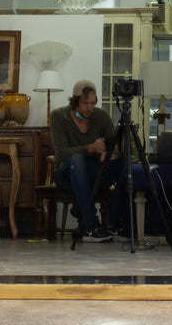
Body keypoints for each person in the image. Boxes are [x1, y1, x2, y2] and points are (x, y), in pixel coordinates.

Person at [50, 79, 124, 242]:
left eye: (92, 102)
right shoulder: (58, 116)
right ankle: (91, 225)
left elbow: (114, 144)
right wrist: (90, 148)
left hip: (93, 173)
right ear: (75, 101)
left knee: (125, 166)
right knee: (77, 160)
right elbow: (61, 153)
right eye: (85, 103)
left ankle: (114, 225)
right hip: (66, 174)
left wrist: (115, 150)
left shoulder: (101, 116)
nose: (89, 107)